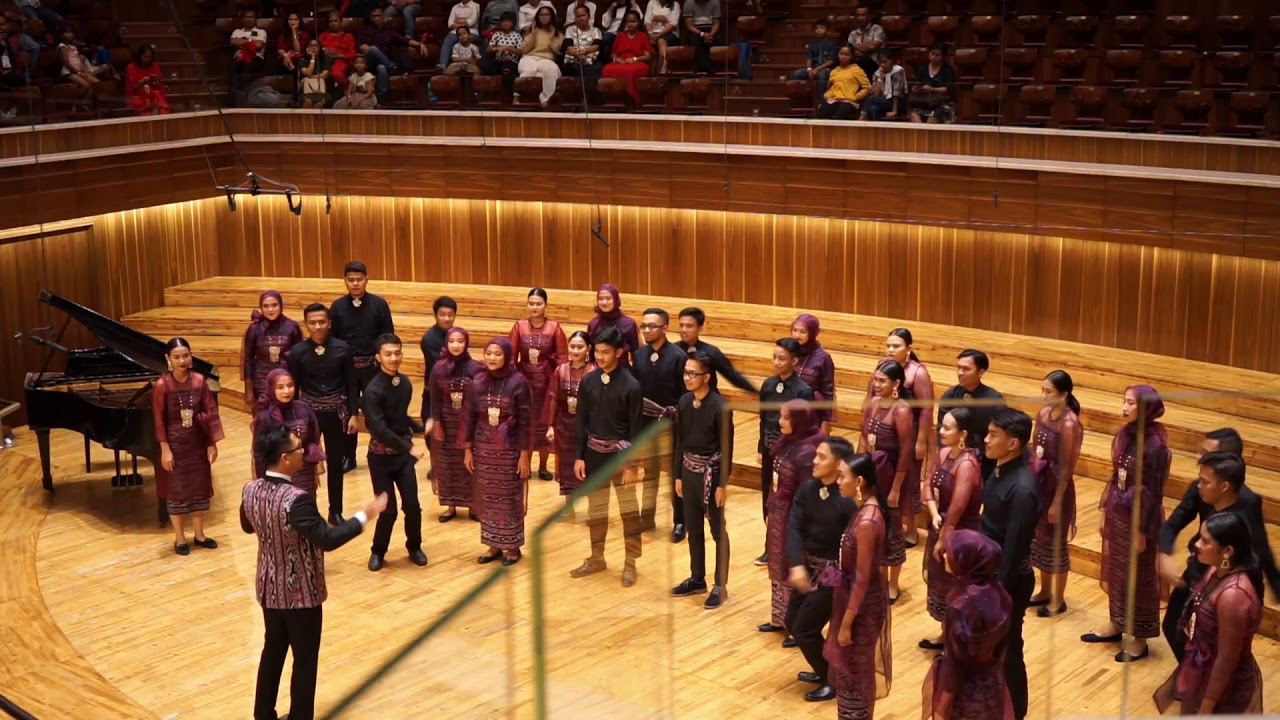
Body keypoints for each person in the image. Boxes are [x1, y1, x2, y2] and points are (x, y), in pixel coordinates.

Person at [242, 426, 386, 720]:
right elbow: (328, 539)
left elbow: (247, 526)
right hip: (300, 595)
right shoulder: (297, 499)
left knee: (273, 652)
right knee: (305, 661)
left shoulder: (250, 489)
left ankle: (263, 715)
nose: (303, 454)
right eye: (298, 450)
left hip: (268, 587)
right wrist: (365, 515)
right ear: (285, 458)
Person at [1159, 445, 1280, 661]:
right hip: (1199, 571)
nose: (1199, 485)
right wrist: (1164, 554)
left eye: (1205, 481)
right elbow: (1174, 523)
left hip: (1224, 585)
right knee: (1173, 627)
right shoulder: (1200, 493)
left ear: (1224, 486)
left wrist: (1271, 587)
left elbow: (1259, 549)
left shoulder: (1244, 513)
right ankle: (1192, 676)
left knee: (1215, 643)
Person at [1085, 385, 1171, 663]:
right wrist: (1104, 513)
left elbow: (1154, 492)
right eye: (1124, 401)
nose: (1124, 407)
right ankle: (1116, 624)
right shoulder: (1125, 434)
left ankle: (1140, 639)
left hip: (1140, 519)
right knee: (1117, 571)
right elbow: (1115, 476)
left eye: (1131, 403)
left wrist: (1141, 531)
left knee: (1140, 577)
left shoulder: (1156, 446)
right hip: (1118, 512)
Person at [1153, 512, 1265, 715]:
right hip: (1202, 672)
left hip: (1225, 687)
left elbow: (1226, 660)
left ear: (1228, 551)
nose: (1196, 544)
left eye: (1205, 541)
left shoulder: (1234, 595)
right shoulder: (1216, 570)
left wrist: (1206, 707)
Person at [570, 327, 645, 587]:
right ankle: (597, 557)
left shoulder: (631, 386)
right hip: (594, 456)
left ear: (619, 353)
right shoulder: (589, 381)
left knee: (628, 513)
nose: (599, 357)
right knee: (596, 510)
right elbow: (581, 420)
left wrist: (632, 466)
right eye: (597, 352)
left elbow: (636, 430)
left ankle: (631, 563)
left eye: (605, 352)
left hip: (620, 459)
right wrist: (579, 456)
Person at [785, 436, 858, 703]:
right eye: (816, 455)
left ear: (839, 464)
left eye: (822, 457)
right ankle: (823, 669)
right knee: (792, 622)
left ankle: (831, 679)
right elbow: (793, 526)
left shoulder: (848, 500)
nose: (814, 461)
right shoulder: (808, 489)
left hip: (834, 574)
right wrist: (796, 564)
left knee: (805, 628)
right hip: (809, 567)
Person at [980, 408, 1040, 720]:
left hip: (1009, 580)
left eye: (993, 435)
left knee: (1009, 647)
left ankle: (1017, 712)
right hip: (988, 574)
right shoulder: (1000, 470)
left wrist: (997, 594)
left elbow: (1014, 547)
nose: (986, 440)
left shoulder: (1023, 489)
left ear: (1013, 443)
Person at [823, 451, 891, 717]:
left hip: (861, 606)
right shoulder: (864, 510)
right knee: (850, 674)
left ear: (859, 481)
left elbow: (862, 578)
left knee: (856, 673)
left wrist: (846, 624)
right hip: (854, 599)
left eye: (842, 476)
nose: (838, 481)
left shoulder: (867, 521)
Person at [922, 529, 1015, 720]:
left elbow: (955, 667)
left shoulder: (961, 608)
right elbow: (1001, 650)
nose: (946, 555)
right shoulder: (1001, 594)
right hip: (992, 684)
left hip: (965, 694)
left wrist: (940, 711)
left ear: (969, 561)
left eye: (953, 553)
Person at [463, 338, 534, 565]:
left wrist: (525, 455)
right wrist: (468, 449)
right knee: (489, 497)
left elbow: (526, 422)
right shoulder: (478, 380)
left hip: (509, 448)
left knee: (508, 498)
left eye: (497, 354)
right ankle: (493, 544)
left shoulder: (519, 382)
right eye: (488, 353)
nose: (492, 358)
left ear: (507, 356)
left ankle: (512, 547)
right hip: (484, 446)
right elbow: (470, 417)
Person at [670, 351, 732, 610]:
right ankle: (697, 578)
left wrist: (721, 484)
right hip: (688, 471)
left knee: (717, 531)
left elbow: (727, 448)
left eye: (692, 373)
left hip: (711, 473)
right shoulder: (684, 402)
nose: (687, 377)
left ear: (706, 377)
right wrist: (677, 475)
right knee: (693, 528)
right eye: (685, 373)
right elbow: (680, 441)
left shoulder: (720, 407)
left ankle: (721, 584)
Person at [362, 333, 428, 572]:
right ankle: (378, 551)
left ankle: (414, 547)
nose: (393, 358)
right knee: (387, 511)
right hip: (380, 459)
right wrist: (410, 446)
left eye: (397, 353)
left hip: (401, 459)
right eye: (388, 354)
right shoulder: (372, 391)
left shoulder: (405, 384)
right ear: (379, 357)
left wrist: (422, 428)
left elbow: (400, 420)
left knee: (412, 506)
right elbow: (379, 429)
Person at [287, 304, 359, 524]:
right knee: (305, 464)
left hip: (336, 414)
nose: (317, 327)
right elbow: (292, 387)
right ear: (306, 325)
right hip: (308, 415)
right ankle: (308, 509)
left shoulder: (343, 349)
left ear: (329, 323)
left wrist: (354, 414)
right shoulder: (297, 352)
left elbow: (352, 384)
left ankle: (335, 511)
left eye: (321, 322)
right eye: (312, 323)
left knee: (336, 463)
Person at [759, 399, 823, 642]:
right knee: (777, 563)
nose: (780, 421)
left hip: (795, 516)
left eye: (786, 418)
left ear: (799, 420)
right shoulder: (788, 441)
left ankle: (797, 625)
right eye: (781, 416)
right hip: (779, 513)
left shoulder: (809, 451)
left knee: (793, 564)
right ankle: (779, 617)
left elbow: (807, 492)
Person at [153, 338, 224, 555]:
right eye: (177, 357)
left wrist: (211, 443)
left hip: (197, 442)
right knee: (177, 491)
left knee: (198, 488)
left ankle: (200, 534)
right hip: (174, 444)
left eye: (186, 355)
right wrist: (165, 448)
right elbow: (158, 420)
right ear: (168, 359)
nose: (182, 360)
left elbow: (210, 412)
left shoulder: (200, 381)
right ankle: (180, 538)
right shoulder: (161, 385)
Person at [920, 407, 983, 650]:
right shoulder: (944, 452)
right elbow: (927, 483)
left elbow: (958, 506)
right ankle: (946, 634)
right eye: (941, 426)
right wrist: (934, 513)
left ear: (963, 434)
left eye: (948, 428)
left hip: (959, 534)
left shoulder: (967, 464)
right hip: (940, 524)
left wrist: (943, 537)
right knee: (941, 585)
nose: (941, 431)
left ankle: (956, 644)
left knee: (957, 587)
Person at [867, 328, 934, 542]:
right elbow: (870, 396)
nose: (890, 349)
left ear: (908, 349)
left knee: (907, 482)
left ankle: (910, 529)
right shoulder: (882, 367)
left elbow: (926, 408)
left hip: (907, 431)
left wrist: (922, 439)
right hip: (883, 428)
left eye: (896, 346)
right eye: (888, 345)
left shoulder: (918, 372)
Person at [329, 260, 395, 471]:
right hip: (347, 368)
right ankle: (349, 456)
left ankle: (379, 451)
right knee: (348, 412)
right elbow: (333, 338)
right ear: (345, 281)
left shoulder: (379, 304)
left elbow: (387, 336)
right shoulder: (337, 307)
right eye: (351, 280)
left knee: (377, 410)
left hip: (373, 368)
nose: (355, 284)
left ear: (367, 280)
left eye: (359, 279)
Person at [1027, 370, 1083, 618]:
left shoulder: (1070, 424)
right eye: (1043, 390)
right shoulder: (1042, 414)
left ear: (1064, 394)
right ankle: (1044, 590)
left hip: (1057, 488)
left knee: (1056, 543)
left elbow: (1068, 467)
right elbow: (1033, 448)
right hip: (1040, 482)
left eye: (1048, 392)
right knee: (1040, 539)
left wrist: (1057, 501)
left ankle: (1058, 600)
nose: (1044, 396)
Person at [755, 336, 814, 563]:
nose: (777, 362)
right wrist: (762, 446)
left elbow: (808, 427)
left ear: (795, 361)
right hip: (771, 449)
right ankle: (770, 545)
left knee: (788, 499)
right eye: (774, 357)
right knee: (768, 498)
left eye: (782, 358)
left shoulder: (803, 391)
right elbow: (763, 419)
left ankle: (792, 548)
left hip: (791, 454)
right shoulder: (768, 385)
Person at [859, 359, 913, 601]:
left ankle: (893, 583)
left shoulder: (901, 411)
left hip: (891, 477)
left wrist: (896, 489)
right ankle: (878, 577)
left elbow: (905, 452)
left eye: (882, 381)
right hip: (872, 475)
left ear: (896, 383)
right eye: (875, 379)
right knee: (874, 528)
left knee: (892, 532)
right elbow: (863, 437)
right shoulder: (873, 403)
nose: (876, 384)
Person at [632, 308, 686, 539]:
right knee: (649, 471)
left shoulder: (678, 356)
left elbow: (686, 393)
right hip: (646, 422)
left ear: (665, 328)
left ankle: (680, 522)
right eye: (643, 326)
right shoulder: (639, 354)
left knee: (675, 474)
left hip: (671, 423)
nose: (646, 330)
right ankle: (647, 517)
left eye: (652, 326)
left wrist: (674, 412)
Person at [508, 288, 568, 482]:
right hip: (524, 383)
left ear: (545, 305)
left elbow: (562, 358)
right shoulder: (519, 326)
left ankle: (543, 467)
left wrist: (560, 383)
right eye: (531, 303)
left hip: (547, 383)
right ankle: (525, 463)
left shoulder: (555, 327)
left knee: (545, 423)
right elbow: (511, 355)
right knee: (526, 423)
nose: (534, 307)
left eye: (538, 303)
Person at [428, 327, 482, 522]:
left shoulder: (476, 368)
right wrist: (437, 424)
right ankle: (450, 506)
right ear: (446, 343)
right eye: (452, 341)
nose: (456, 345)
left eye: (460, 341)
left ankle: (473, 506)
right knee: (447, 465)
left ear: (466, 343)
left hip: (469, 424)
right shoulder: (438, 368)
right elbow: (434, 399)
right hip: (446, 424)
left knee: (470, 464)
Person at [544, 330, 596, 505]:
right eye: (572, 346)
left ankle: (592, 508)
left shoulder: (594, 371)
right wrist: (551, 425)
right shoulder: (561, 370)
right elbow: (553, 397)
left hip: (587, 426)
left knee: (587, 466)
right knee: (566, 465)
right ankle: (568, 506)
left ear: (588, 348)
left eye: (579, 347)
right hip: (564, 426)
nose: (575, 351)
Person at [252, 369, 324, 494]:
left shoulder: (303, 409)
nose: (287, 391)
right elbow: (259, 454)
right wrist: (263, 482)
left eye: (290, 386)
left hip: (304, 471)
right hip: (277, 476)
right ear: (271, 388)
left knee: (305, 509)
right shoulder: (265, 417)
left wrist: (315, 470)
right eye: (280, 387)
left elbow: (313, 440)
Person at [937, 349, 1005, 478]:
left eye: (966, 369)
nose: (960, 373)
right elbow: (941, 431)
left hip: (985, 462)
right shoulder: (950, 396)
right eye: (959, 368)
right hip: (953, 457)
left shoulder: (994, 400)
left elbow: (999, 435)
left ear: (981, 372)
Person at [242, 289, 304, 406]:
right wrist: (248, 390)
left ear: (281, 305)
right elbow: (248, 360)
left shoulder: (292, 326)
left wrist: (300, 386)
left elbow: (299, 358)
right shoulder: (254, 328)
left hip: (286, 382)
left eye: (274, 305)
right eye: (265, 306)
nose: (270, 310)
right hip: (261, 381)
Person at [675, 307, 756, 395]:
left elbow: (733, 376)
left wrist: (757, 392)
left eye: (689, 326)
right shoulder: (673, 351)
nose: (683, 330)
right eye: (681, 325)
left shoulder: (711, 352)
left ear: (700, 328)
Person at [420, 296, 457, 482]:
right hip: (433, 391)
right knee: (431, 428)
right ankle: (436, 463)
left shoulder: (457, 336)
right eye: (443, 315)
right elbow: (441, 367)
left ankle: (450, 464)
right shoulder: (429, 339)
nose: (447, 319)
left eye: (450, 315)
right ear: (436, 315)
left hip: (455, 393)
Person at [790, 313, 835, 434]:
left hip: (813, 412)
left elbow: (828, 391)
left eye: (802, 332)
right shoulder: (789, 352)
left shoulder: (823, 358)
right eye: (794, 330)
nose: (797, 335)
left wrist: (826, 421)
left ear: (812, 333)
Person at [601, 10, 651, 104]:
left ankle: (630, 100)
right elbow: (614, 53)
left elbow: (647, 56)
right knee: (606, 69)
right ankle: (610, 99)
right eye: (628, 22)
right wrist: (616, 59)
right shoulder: (620, 35)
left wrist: (634, 59)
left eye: (633, 21)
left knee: (630, 71)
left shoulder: (643, 36)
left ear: (638, 22)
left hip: (637, 62)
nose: (631, 24)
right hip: (621, 61)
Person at [586, 283, 639, 369]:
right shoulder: (593, 324)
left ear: (615, 299)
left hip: (622, 372)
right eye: (600, 299)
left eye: (608, 298)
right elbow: (591, 354)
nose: (604, 302)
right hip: (599, 370)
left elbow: (635, 353)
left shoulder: (628, 323)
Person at [517, 6, 562, 107]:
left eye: (547, 15)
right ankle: (519, 98)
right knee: (530, 71)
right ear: (538, 17)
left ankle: (546, 101)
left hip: (546, 59)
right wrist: (532, 33)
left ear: (551, 17)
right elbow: (524, 49)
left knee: (551, 70)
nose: (544, 17)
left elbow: (557, 51)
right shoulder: (533, 31)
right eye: (541, 15)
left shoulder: (557, 34)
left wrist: (551, 38)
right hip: (529, 57)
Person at [815, 45, 870, 120]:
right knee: (821, 113)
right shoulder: (834, 71)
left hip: (849, 100)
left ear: (851, 56)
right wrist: (827, 95)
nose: (843, 57)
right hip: (834, 99)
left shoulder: (857, 70)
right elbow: (831, 87)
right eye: (841, 54)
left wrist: (856, 97)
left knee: (841, 113)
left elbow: (867, 87)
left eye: (846, 54)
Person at [793, 18, 837, 100]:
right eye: (817, 28)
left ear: (828, 31)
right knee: (797, 74)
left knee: (822, 74)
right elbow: (809, 58)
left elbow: (831, 61)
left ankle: (821, 101)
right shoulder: (812, 44)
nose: (819, 30)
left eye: (822, 28)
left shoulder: (832, 44)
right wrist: (809, 69)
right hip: (813, 68)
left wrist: (817, 69)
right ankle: (801, 100)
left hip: (826, 69)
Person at [563, 5, 604, 90]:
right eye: (578, 16)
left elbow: (596, 47)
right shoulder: (570, 30)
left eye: (583, 15)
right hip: (573, 60)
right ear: (575, 18)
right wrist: (577, 54)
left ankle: (589, 96)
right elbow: (569, 48)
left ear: (588, 16)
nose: (581, 18)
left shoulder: (596, 31)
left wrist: (585, 52)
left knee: (597, 68)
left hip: (590, 61)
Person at [126, 43, 169, 115]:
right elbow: (133, 88)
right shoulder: (131, 67)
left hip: (152, 93)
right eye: (145, 57)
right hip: (139, 93)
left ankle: (154, 117)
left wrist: (155, 81)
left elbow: (158, 86)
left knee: (157, 94)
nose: (148, 60)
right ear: (140, 56)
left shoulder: (155, 66)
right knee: (154, 95)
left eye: (150, 57)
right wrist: (141, 81)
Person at [643, 0, 679, 75]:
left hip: (669, 33)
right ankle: (650, 74)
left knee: (661, 40)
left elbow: (673, 24)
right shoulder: (651, 2)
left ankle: (663, 66)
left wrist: (658, 35)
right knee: (648, 46)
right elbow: (647, 21)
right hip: (653, 33)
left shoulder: (675, 5)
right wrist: (651, 35)